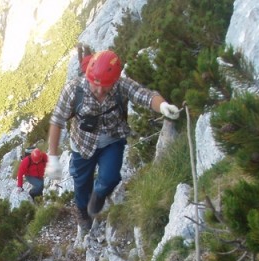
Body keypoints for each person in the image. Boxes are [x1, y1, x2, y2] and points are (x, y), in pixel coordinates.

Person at [45, 49, 180, 231]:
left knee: (110, 178)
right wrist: (52, 157)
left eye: (106, 85)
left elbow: (145, 96)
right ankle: (83, 212)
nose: (100, 90)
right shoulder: (73, 90)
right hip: (82, 146)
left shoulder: (121, 86)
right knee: (81, 183)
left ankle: (99, 194)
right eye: (95, 84)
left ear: (115, 80)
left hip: (111, 141)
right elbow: (57, 120)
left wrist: (162, 106)